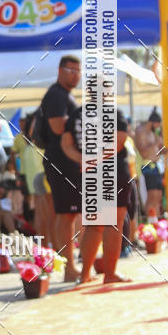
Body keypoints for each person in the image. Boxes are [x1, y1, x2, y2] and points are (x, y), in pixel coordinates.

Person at [61, 106, 131, 284]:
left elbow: (66, 144)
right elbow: (119, 141)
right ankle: (109, 274)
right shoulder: (114, 112)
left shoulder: (77, 114)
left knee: (95, 226)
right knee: (113, 224)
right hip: (114, 171)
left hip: (90, 174)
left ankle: (85, 274)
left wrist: (83, 159)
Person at [39, 55, 81, 281]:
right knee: (67, 215)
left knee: (71, 214)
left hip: (66, 159)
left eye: (78, 70)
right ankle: (69, 268)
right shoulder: (56, 94)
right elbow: (57, 127)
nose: (75, 74)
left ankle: (73, 264)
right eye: (71, 70)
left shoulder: (63, 95)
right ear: (60, 70)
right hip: (61, 159)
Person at [135, 110, 166, 222]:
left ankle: (157, 225)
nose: (158, 127)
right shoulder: (140, 132)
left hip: (156, 166)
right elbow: (143, 152)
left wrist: (164, 149)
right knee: (151, 196)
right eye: (158, 124)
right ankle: (150, 224)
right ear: (153, 122)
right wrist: (156, 143)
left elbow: (157, 151)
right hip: (147, 167)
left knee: (158, 197)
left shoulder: (153, 134)